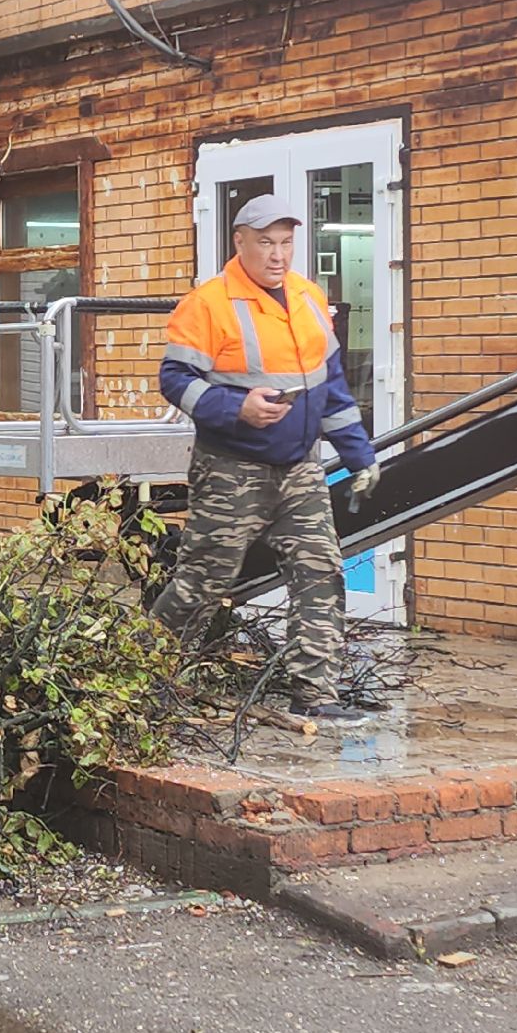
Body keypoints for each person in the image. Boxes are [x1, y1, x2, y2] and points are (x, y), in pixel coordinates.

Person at [151, 193, 382, 724]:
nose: (277, 255)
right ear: (240, 242)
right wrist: (237, 408)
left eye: (285, 242)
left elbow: (333, 388)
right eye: (265, 243)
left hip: (298, 467)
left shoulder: (306, 298)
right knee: (203, 582)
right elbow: (174, 380)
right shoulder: (208, 303)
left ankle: (315, 694)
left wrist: (359, 455)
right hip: (232, 469)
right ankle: (143, 675)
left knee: (321, 570)